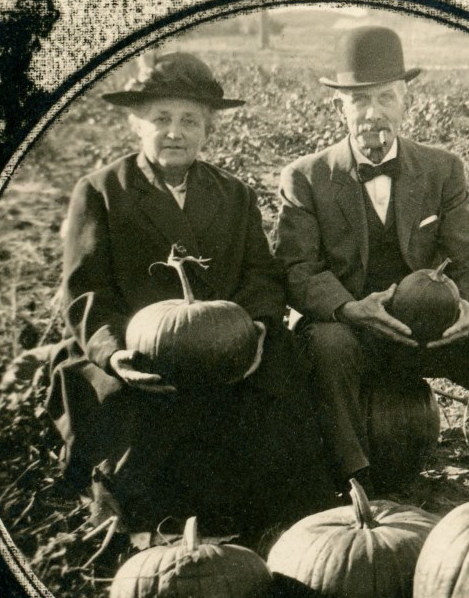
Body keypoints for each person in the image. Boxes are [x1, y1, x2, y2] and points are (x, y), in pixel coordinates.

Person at [46, 51, 336, 541]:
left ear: (208, 131)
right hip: (135, 349)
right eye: (161, 119)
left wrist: (258, 330)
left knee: (281, 371)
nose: (174, 132)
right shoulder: (100, 192)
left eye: (190, 120)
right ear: (137, 125)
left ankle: (276, 518)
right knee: (119, 403)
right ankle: (144, 523)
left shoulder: (234, 194)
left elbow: (260, 275)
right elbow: (85, 291)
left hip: (222, 348)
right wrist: (113, 354)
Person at [274, 26, 469, 495]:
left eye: (386, 98)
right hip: (354, 334)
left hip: (432, 330)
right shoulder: (306, 178)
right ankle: (357, 485)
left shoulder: (441, 168)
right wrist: (350, 309)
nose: (373, 114)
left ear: (405, 100)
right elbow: (297, 269)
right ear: (340, 107)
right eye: (360, 100)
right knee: (326, 344)